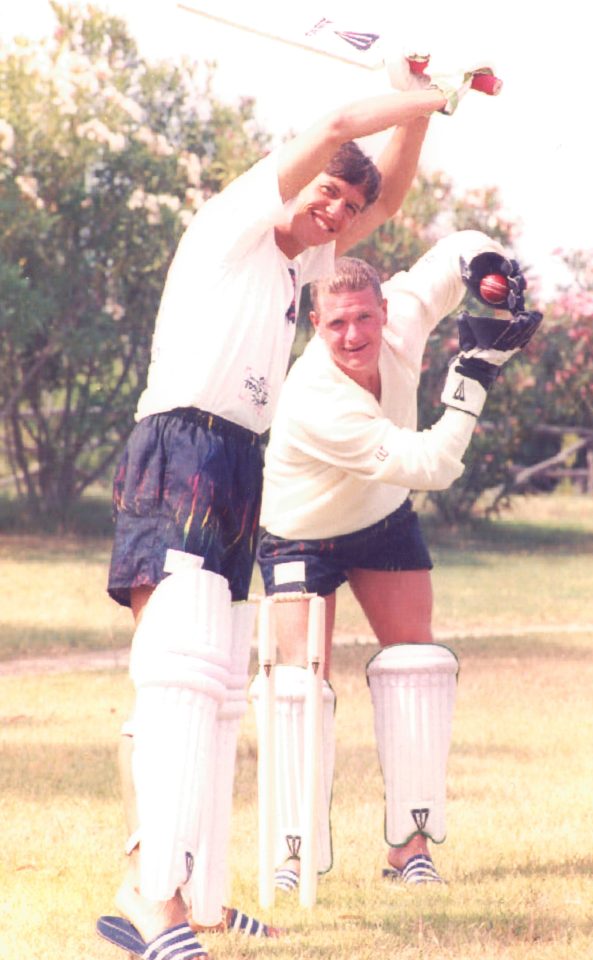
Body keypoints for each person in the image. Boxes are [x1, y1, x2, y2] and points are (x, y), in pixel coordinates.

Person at [96, 61, 488, 958]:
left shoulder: (310, 259)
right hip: (180, 442)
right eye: (324, 195)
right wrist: (438, 94)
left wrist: (414, 99)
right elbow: (341, 119)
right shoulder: (235, 221)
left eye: (344, 209)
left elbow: (382, 195)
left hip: (240, 458)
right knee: (176, 675)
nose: (336, 215)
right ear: (294, 177)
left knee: (222, 686)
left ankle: (190, 893)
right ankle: (146, 900)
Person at [255, 234, 542, 890]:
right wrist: (472, 377)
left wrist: (487, 267)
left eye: (363, 316)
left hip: (381, 519)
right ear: (314, 326)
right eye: (335, 323)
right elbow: (435, 465)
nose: (352, 333)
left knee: (417, 669)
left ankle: (408, 851)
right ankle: (293, 855)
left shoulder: (404, 318)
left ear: (384, 309)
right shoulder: (314, 397)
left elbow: (457, 249)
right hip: (297, 533)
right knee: (296, 691)